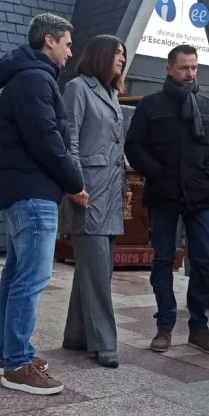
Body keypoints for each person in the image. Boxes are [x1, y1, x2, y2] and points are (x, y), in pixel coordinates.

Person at [0, 12, 83, 395]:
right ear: (49, 41)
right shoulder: (34, 79)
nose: (69, 51)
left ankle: (11, 352)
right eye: (67, 43)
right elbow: (47, 138)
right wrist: (75, 181)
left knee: (15, 277)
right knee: (30, 279)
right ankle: (16, 364)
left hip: (24, 190)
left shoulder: (26, 76)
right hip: (33, 193)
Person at [124, 44, 209, 356]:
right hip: (163, 195)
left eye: (194, 67)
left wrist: (207, 175)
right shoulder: (151, 105)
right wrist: (158, 173)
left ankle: (199, 327)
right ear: (169, 69)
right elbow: (134, 146)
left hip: (198, 196)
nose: (190, 73)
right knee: (162, 259)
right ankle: (165, 326)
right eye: (184, 67)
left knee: (203, 260)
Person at [59, 35, 130, 369]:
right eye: (117, 53)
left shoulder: (112, 94)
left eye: (124, 55)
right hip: (87, 192)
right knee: (98, 270)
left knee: (96, 267)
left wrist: (126, 184)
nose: (121, 59)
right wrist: (75, 184)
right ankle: (104, 342)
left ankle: (76, 334)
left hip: (110, 192)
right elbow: (69, 140)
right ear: (101, 55)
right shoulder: (77, 88)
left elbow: (116, 146)